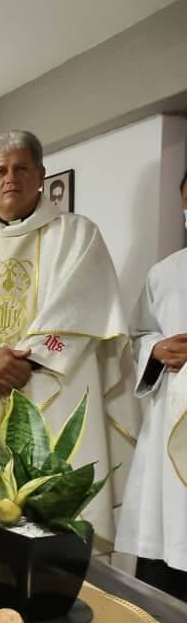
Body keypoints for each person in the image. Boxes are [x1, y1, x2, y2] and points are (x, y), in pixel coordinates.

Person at [0, 130, 137, 546]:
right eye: (1, 171)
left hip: (51, 387)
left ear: (41, 175)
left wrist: (28, 359)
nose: (11, 178)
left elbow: (83, 310)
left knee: (52, 530)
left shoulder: (78, 236)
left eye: (21, 168)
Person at [115, 169, 187, 599]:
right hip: (169, 420)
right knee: (167, 555)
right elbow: (138, 334)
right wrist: (156, 349)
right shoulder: (164, 273)